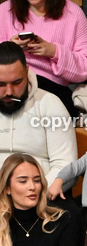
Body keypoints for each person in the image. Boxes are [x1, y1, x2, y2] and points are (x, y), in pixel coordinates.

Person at [1, 0, 87, 115]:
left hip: (52, 88)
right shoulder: (4, 11)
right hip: (10, 88)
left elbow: (86, 67)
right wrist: (9, 50)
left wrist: (53, 51)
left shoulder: (73, 14)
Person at [0, 42, 75, 186]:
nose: (9, 91)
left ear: (27, 72)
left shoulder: (50, 104)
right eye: (1, 84)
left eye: (17, 82)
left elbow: (66, 166)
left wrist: (34, 194)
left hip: (41, 198)